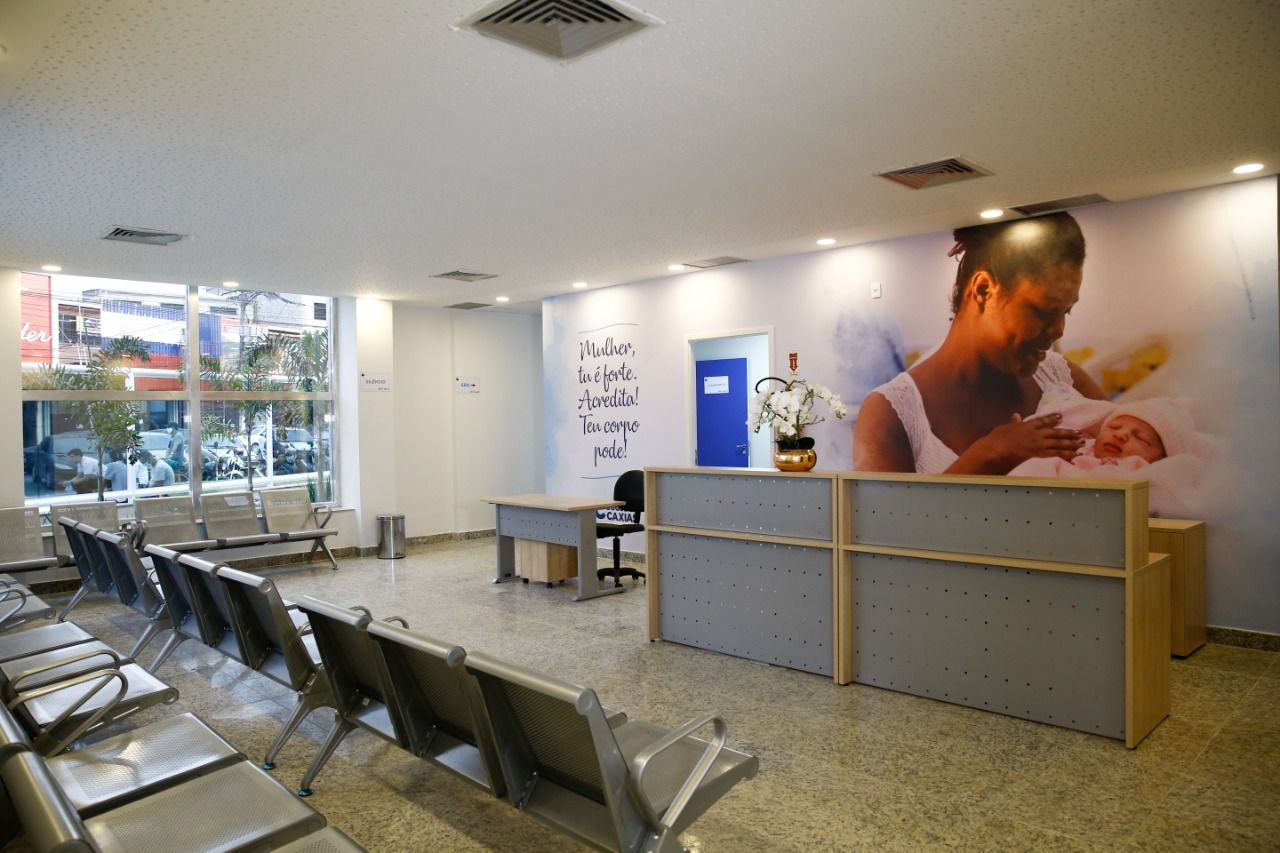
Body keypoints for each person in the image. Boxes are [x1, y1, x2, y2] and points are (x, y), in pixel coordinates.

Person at [854, 212, 1107, 474]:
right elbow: (881, 504)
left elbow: (1134, 469)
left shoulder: (1063, 378)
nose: (1058, 330)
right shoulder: (890, 413)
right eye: (1043, 310)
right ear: (984, 289)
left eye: (1067, 311)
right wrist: (988, 456)